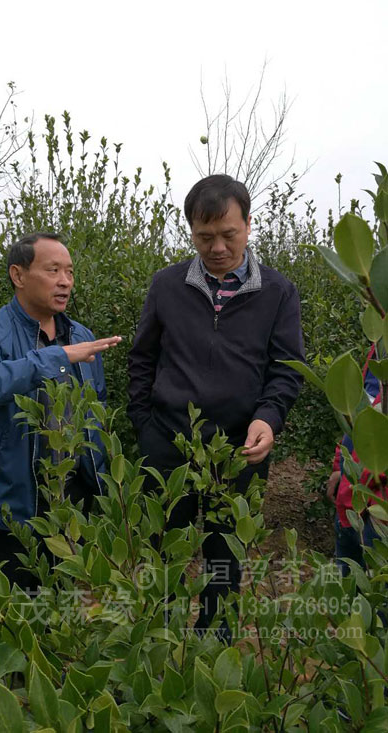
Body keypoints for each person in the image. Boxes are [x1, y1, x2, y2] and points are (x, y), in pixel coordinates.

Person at [128, 174, 305, 633]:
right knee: (162, 552)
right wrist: (145, 424)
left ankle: (214, 647)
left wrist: (268, 417)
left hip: (239, 449)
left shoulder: (278, 292)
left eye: (229, 234)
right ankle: (157, 648)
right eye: (205, 237)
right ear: (191, 232)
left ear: (248, 225)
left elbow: (286, 368)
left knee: (226, 557)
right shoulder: (167, 285)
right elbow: (143, 357)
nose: (218, 247)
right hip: (168, 444)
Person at [0, 232, 121, 587]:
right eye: (53, 271)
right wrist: (56, 357)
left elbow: (97, 408)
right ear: (18, 276)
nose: (65, 281)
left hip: (69, 499)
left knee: (59, 608)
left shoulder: (81, 336)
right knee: (11, 614)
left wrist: (104, 484)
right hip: (10, 503)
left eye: (70, 272)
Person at [326, 345, 384, 575]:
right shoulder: (380, 344)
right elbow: (359, 408)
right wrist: (340, 465)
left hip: (380, 518)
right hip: (350, 504)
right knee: (349, 600)